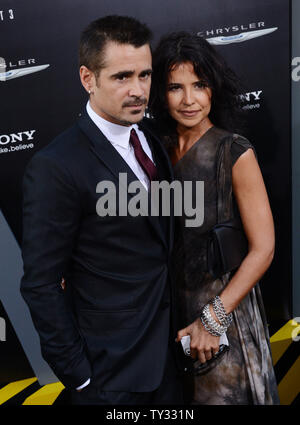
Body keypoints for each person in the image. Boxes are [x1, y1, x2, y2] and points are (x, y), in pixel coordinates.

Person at [20, 16, 183, 405]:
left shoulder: (152, 139)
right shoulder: (57, 166)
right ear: (87, 78)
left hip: (171, 364)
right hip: (110, 378)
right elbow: (41, 285)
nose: (138, 90)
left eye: (144, 76)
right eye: (122, 77)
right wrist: (81, 380)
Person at [149, 31, 280, 405]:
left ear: (214, 88)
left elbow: (263, 249)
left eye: (200, 85)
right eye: (176, 87)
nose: (189, 100)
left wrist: (212, 319)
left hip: (224, 317)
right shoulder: (154, 150)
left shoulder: (233, 152)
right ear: (161, 91)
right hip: (168, 318)